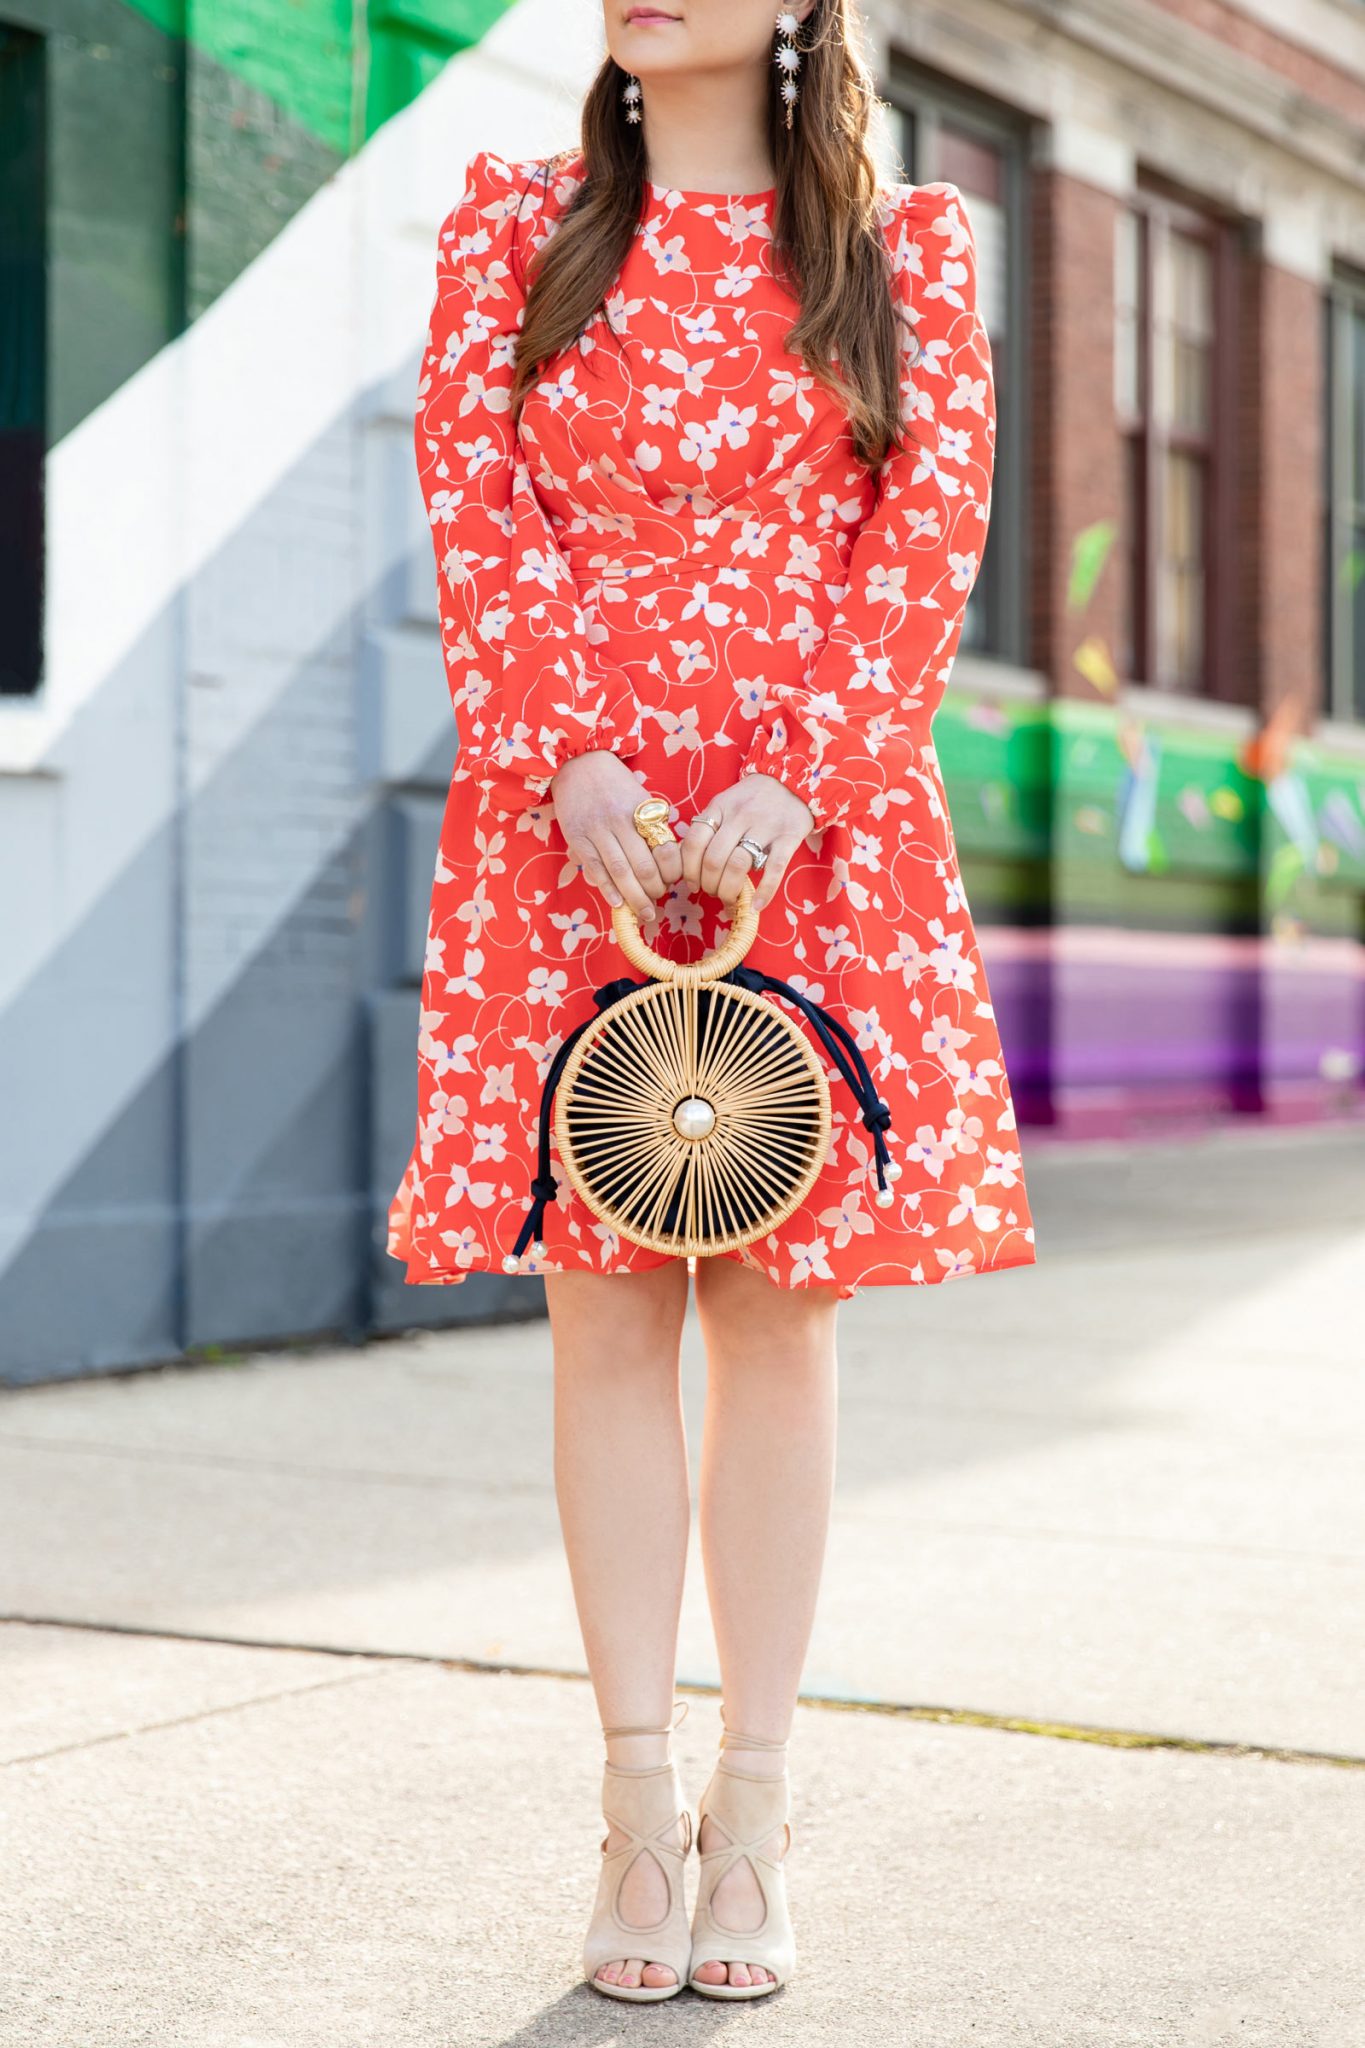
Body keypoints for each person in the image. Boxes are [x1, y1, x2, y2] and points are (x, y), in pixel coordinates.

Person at [387, 0, 1038, 2004]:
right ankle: (633, 1807)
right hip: (565, 825)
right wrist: (568, 760)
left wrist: (801, 772)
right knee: (601, 1301)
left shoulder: (903, 245)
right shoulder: (514, 222)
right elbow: (475, 498)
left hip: (807, 831)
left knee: (771, 1305)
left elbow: (925, 528)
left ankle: (754, 1816)